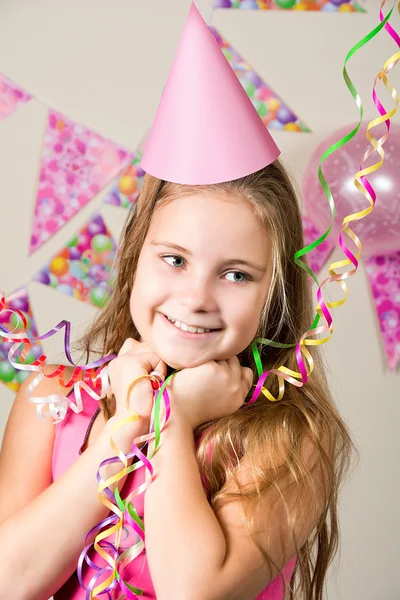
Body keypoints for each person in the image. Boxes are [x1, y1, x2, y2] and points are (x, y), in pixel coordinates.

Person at [0, 3, 355, 599]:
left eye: (237, 275)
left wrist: (174, 421)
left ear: (275, 293)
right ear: (135, 257)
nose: (196, 297)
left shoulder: (291, 435)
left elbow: (196, 592)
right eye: (174, 259)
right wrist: (125, 426)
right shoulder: (52, 398)